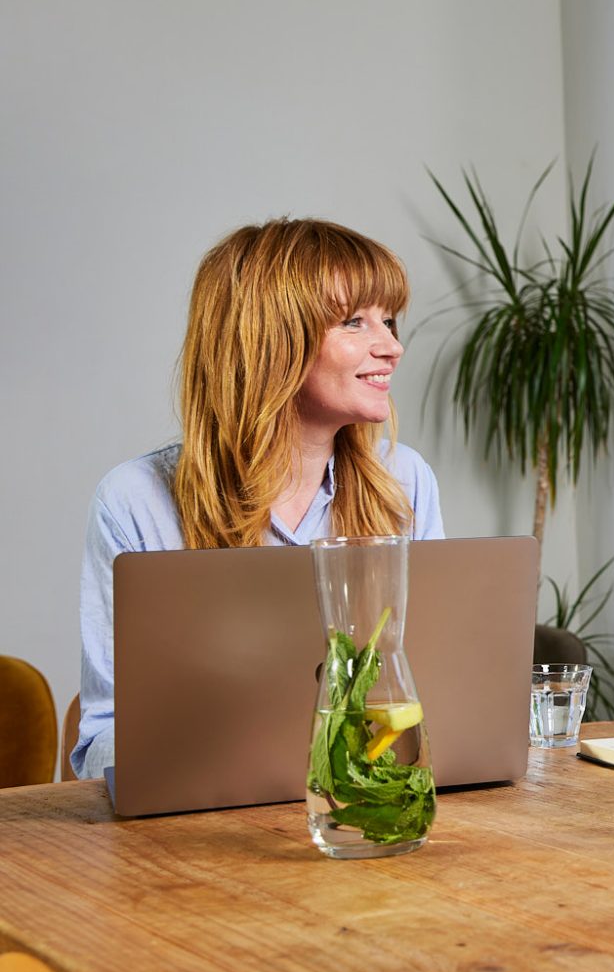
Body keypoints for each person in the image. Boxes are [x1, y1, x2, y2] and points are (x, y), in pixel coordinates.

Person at [73, 219, 445, 778]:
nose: (392, 346)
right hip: (206, 831)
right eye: (354, 322)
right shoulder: (136, 502)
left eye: (388, 321)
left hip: (369, 809)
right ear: (270, 339)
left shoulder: (405, 480)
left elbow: (435, 693)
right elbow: (104, 739)